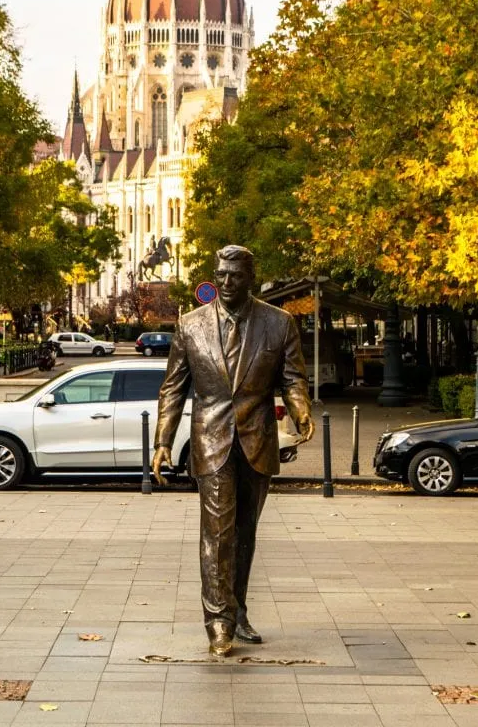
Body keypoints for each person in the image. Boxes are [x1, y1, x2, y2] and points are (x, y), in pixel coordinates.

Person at [153, 244, 314, 656]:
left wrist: (301, 411)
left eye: (234, 276)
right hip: (212, 441)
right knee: (217, 534)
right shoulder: (190, 325)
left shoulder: (279, 324)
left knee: (245, 534)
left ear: (250, 278)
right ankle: (218, 621)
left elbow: (292, 377)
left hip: (257, 440)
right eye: (220, 274)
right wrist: (163, 442)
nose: (225, 282)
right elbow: (173, 388)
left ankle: (238, 610)